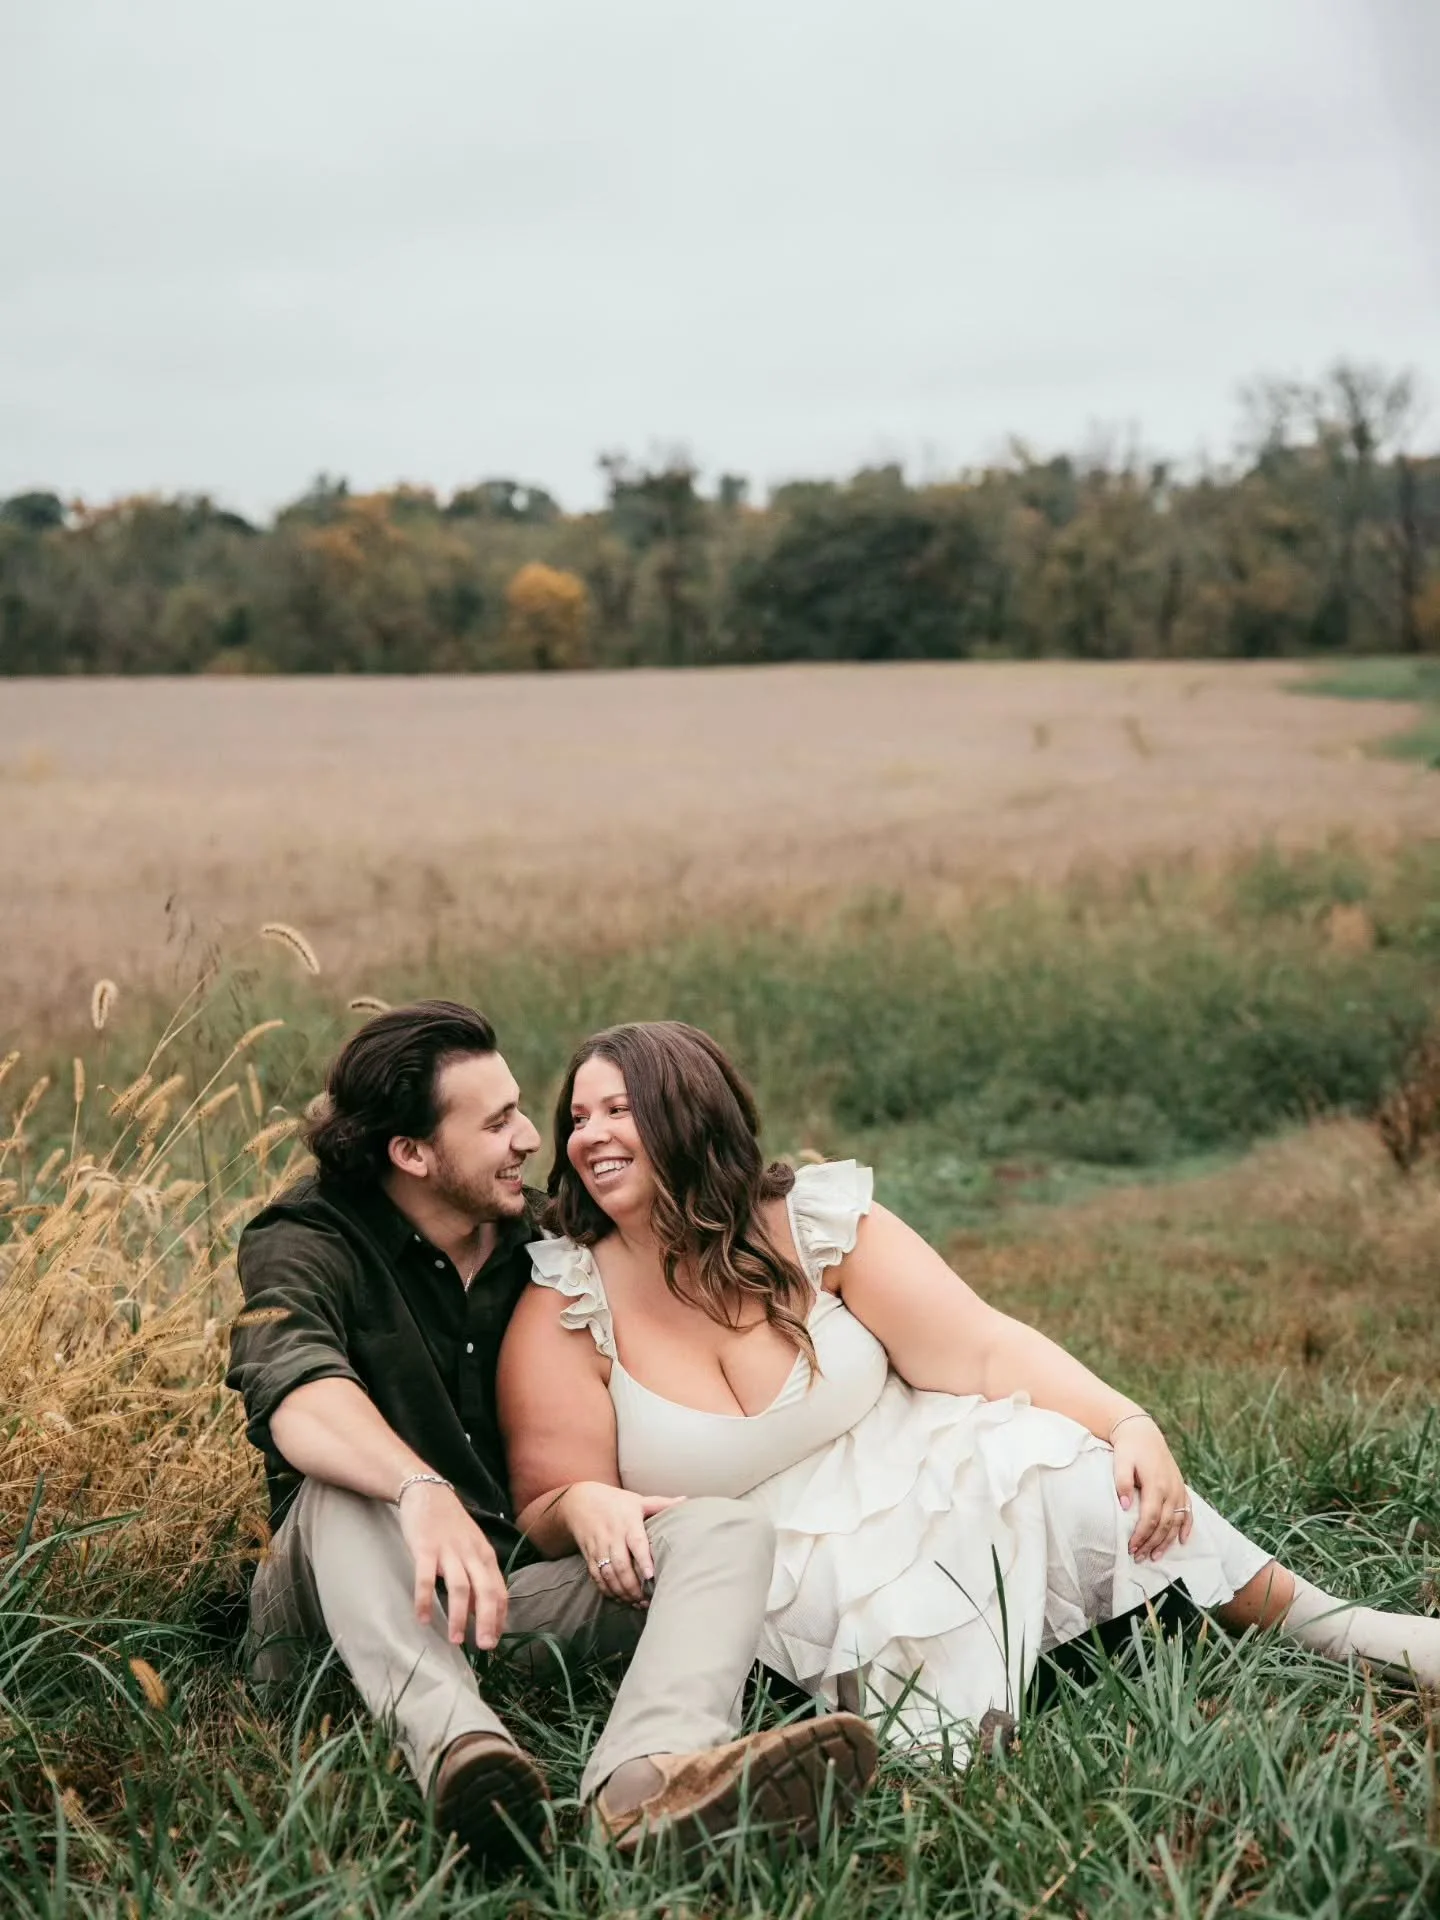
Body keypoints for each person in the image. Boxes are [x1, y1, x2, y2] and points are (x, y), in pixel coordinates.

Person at [498, 1020, 1440, 1760]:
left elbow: (984, 1348)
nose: (589, 1137)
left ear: (685, 1113)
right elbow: (545, 1499)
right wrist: (588, 1504)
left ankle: (1342, 1629)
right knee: (873, 1657)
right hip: (757, 1549)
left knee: (1078, 1470)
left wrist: (1127, 1419)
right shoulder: (567, 1297)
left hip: (916, 1461)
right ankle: (941, 1740)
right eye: (578, 1118)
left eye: (617, 1110)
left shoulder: (815, 1222)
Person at [227, 1002, 876, 1867]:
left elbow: (678, 1231)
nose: (532, 1137)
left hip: (506, 1597)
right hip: (338, 1611)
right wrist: (418, 1492)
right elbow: (298, 1390)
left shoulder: (543, 1244)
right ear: (412, 1154)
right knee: (344, 1485)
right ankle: (463, 1758)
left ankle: (646, 1782)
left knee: (723, 1527)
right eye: (496, 1123)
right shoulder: (308, 1240)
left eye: (523, 1111)